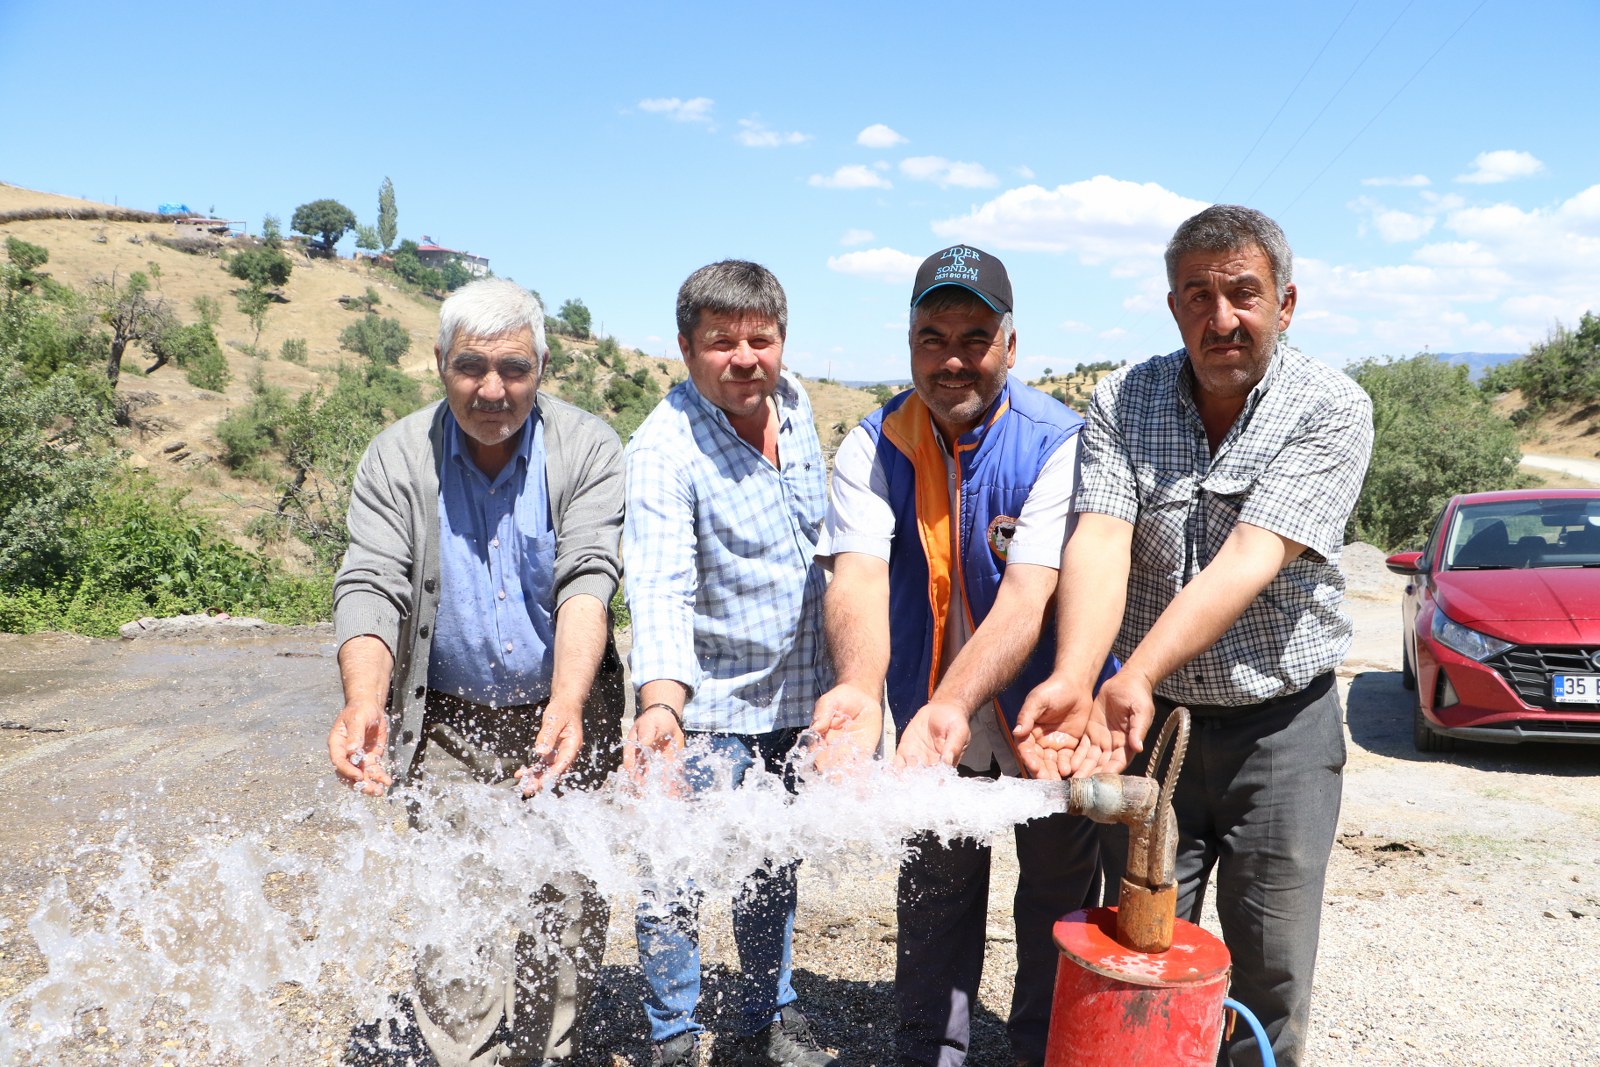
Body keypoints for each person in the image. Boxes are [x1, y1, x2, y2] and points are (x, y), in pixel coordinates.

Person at [1015, 205, 1374, 1067]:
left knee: (1271, 971)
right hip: (1150, 733)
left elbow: (1249, 557)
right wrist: (1075, 674)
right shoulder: (1123, 397)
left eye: (1244, 294)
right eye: (1198, 295)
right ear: (1173, 307)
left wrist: (1129, 672)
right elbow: (1100, 537)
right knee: (1139, 952)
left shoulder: (1330, 408)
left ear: (1285, 304)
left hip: (1279, 732)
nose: (1223, 318)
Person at [809, 244, 1105, 1067]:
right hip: (930, 722)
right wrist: (862, 688)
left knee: (1058, 900)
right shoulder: (872, 445)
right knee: (934, 900)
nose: (951, 358)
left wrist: (954, 698)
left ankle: (1047, 1049)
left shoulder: (1058, 441)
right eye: (932, 335)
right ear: (908, 343)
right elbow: (860, 578)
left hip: (1044, 719)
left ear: (1011, 345)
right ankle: (931, 1052)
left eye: (974, 336)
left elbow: (1028, 595)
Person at [327, 277, 626, 1066]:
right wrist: (364, 699)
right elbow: (371, 581)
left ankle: (544, 1053)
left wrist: (567, 699)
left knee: (563, 915)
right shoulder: (398, 455)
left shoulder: (588, 447)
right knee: (455, 921)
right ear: (439, 365)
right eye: (471, 367)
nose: (493, 389)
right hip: (447, 727)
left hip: (564, 719)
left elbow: (588, 577)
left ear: (542, 367)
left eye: (514, 368)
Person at [622, 260, 837, 1067]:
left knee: (771, 862)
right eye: (722, 342)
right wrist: (662, 707)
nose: (745, 357)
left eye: (761, 338)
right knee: (673, 875)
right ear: (686, 348)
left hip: (796, 693)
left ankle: (770, 1013)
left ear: (781, 341)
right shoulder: (661, 450)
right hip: (707, 706)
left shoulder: (798, 404)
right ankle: (672, 1036)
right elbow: (661, 584)